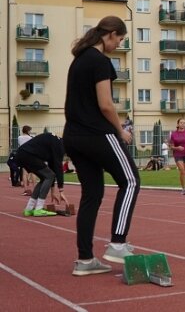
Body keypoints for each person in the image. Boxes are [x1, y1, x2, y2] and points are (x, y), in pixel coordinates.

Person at [63, 15, 139, 276]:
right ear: (111, 34)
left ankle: (85, 260)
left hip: (73, 137)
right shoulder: (100, 62)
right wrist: (120, 131)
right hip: (97, 134)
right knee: (130, 181)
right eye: (120, 38)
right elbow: (106, 104)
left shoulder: (80, 60)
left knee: (92, 195)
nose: (119, 43)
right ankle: (118, 243)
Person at [16, 132, 66, 216]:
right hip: (28, 155)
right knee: (49, 175)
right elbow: (58, 167)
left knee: (45, 177)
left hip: (22, 154)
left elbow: (52, 169)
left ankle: (29, 209)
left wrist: (53, 192)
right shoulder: (60, 146)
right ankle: (39, 208)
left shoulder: (56, 142)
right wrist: (61, 190)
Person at [169, 118, 185, 195]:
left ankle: (182, 173)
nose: (183, 124)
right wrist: (177, 148)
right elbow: (171, 146)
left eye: (184, 123)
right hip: (177, 154)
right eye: (181, 123)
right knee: (182, 171)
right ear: (178, 124)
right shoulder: (173, 134)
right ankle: (183, 189)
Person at [19, 125, 35, 196]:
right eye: (30, 130)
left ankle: (25, 190)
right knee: (33, 172)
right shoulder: (31, 138)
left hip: (23, 155)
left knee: (24, 173)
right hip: (30, 156)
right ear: (28, 131)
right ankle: (35, 189)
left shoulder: (19, 137)